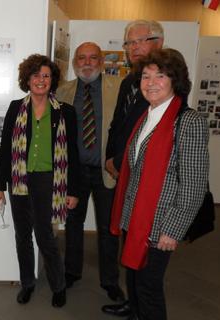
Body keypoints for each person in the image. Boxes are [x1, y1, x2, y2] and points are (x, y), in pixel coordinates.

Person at [109, 48, 209, 320]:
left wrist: (173, 230)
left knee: (148, 288)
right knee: (133, 282)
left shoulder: (188, 122)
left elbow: (193, 183)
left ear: (175, 81)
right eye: (145, 76)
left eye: (160, 75)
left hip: (160, 223)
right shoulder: (147, 116)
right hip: (136, 219)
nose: (150, 82)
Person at [0, 54, 80, 308]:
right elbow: (5, 151)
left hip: (50, 181)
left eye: (46, 76)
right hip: (19, 179)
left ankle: (58, 285)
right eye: (35, 75)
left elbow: (72, 155)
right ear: (27, 79)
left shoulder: (66, 112)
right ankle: (27, 283)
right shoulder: (15, 108)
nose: (40, 80)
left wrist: (72, 191)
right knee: (22, 236)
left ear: (52, 80)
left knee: (45, 237)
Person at [102, 20, 165, 318]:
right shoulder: (129, 81)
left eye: (142, 40)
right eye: (130, 43)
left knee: (145, 249)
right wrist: (111, 156)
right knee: (128, 239)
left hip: (149, 182)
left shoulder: (166, 82)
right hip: (124, 173)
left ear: (159, 42)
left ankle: (143, 307)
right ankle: (133, 302)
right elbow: (118, 124)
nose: (134, 47)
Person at [56, 42, 125, 302]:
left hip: (105, 171)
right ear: (75, 62)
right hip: (74, 173)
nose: (87, 63)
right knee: (73, 223)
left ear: (102, 62)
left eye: (93, 58)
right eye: (82, 58)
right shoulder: (63, 91)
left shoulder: (118, 88)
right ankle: (71, 272)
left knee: (108, 228)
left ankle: (110, 281)